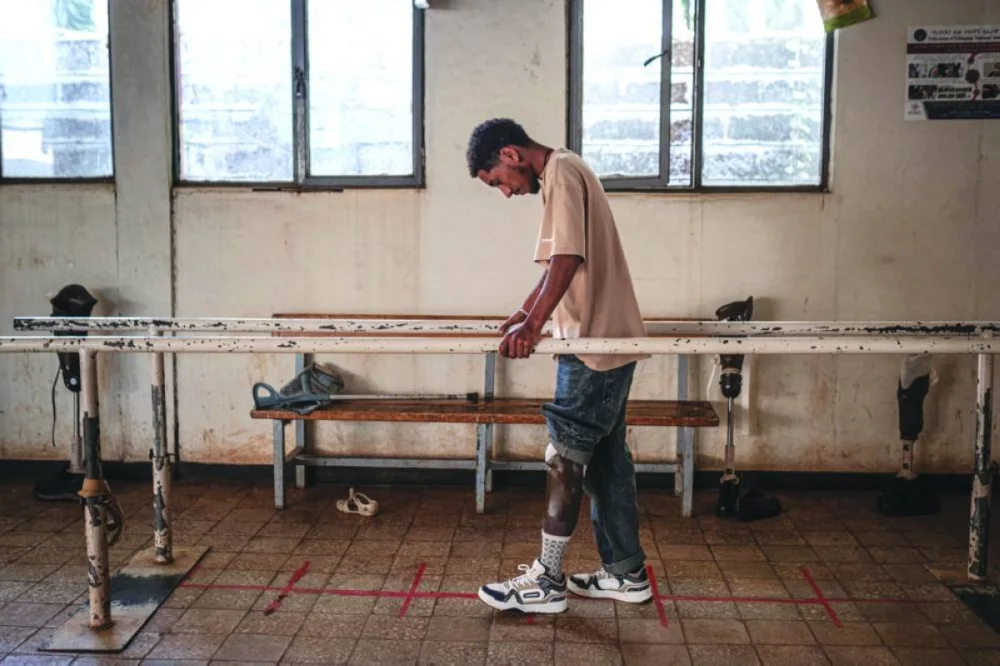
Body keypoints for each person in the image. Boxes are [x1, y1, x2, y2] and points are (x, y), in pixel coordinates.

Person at [465, 118, 652, 614]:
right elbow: (555, 265)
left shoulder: (562, 173)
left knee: (564, 456)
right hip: (602, 339)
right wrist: (526, 311)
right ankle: (625, 573)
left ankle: (547, 580)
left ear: (511, 154)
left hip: (592, 343)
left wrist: (532, 328)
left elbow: (568, 258)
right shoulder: (564, 171)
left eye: (498, 181)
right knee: (607, 462)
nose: (506, 192)